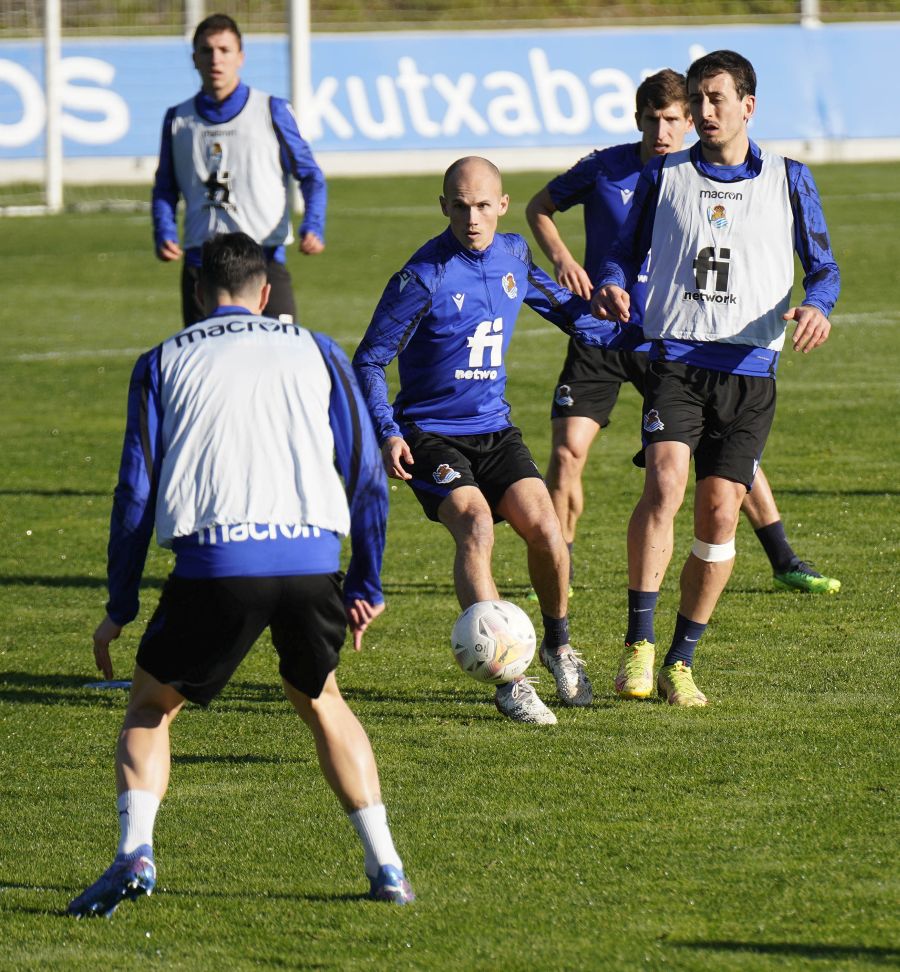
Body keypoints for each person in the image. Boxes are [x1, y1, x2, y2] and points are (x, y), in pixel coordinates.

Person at [68, 233, 413, 918]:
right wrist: (365, 585)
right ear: (265, 294)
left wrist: (120, 603)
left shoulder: (162, 361)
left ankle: (136, 850)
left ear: (198, 296)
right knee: (322, 701)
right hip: (311, 559)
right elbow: (368, 478)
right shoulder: (317, 349)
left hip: (216, 563)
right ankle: (387, 867)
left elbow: (135, 493)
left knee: (148, 707)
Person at [525, 68, 840, 608]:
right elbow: (540, 207)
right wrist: (567, 261)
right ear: (638, 119)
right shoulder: (609, 168)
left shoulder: (703, 177)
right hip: (602, 333)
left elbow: (814, 264)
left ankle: (783, 556)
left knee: (723, 460)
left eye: (676, 118)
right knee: (568, 452)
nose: (664, 130)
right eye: (654, 119)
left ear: (691, 119)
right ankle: (563, 565)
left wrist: (815, 301)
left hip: (669, 336)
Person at [592, 51, 840, 706]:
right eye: (698, 100)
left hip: (752, 370)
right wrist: (613, 284)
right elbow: (621, 254)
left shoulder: (790, 178)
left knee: (720, 510)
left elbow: (825, 268)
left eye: (717, 99)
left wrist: (819, 306)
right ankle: (638, 646)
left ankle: (681, 658)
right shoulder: (664, 175)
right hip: (677, 358)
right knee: (667, 479)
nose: (704, 112)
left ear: (747, 107)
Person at [353, 157, 618, 726]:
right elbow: (370, 359)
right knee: (474, 524)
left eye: (482, 205)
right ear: (443, 205)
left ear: (501, 204)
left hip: (494, 430)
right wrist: (389, 431)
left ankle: (557, 645)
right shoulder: (422, 276)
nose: (471, 218)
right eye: (459, 205)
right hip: (430, 434)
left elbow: (569, 315)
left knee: (546, 527)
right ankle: (509, 679)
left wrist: (634, 327)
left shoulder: (515, 255)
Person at [152, 13, 326, 326]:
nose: (215, 59)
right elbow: (165, 186)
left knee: (281, 360)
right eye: (206, 50)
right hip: (202, 262)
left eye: (224, 50)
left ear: (241, 57)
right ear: (194, 58)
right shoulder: (177, 120)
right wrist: (163, 230)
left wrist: (313, 224)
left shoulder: (271, 111)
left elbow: (311, 175)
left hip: (263, 259)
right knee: (206, 368)